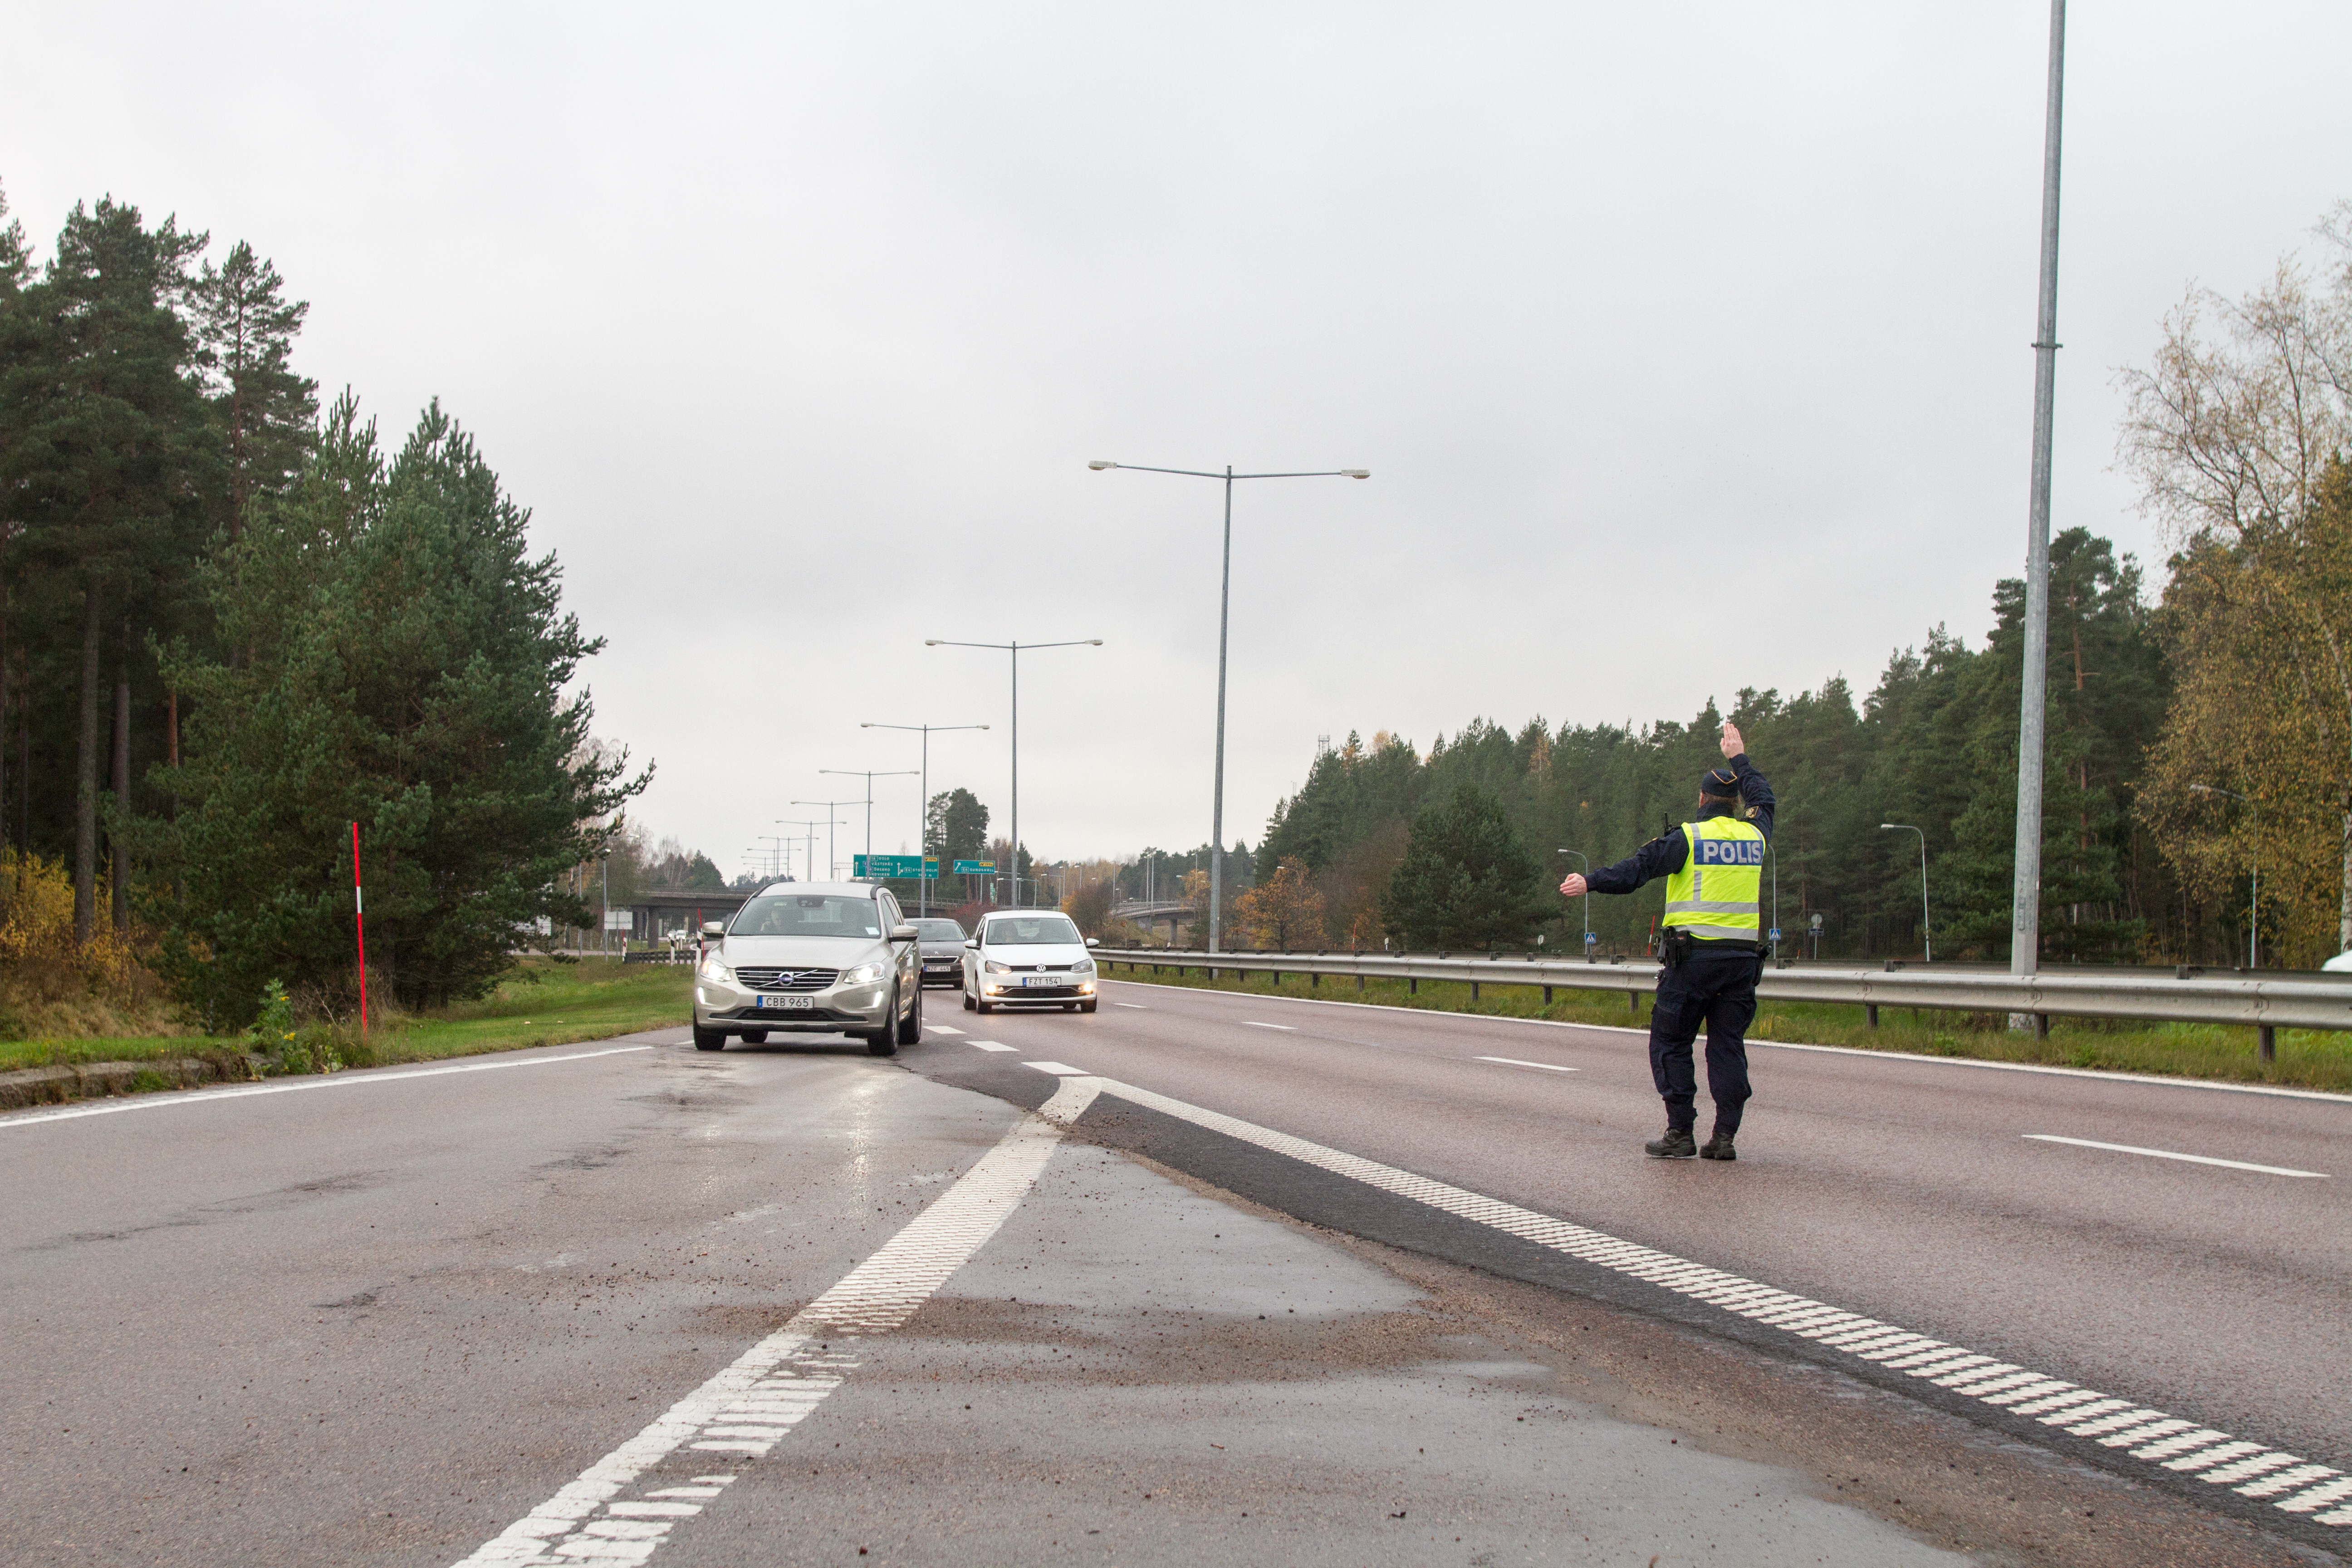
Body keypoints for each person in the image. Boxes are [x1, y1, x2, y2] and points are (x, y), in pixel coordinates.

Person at [1559, 721, 1774, 1161]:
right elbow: (1765, 799)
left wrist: (1590, 882)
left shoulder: (1689, 838)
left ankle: (1680, 1134)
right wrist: (1740, 758)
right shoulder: (1755, 836)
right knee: (1727, 1047)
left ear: (1700, 800)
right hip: (1741, 963)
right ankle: (1725, 1138)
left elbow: (1637, 870)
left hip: (1692, 961)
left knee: (1672, 1042)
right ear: (1736, 803)